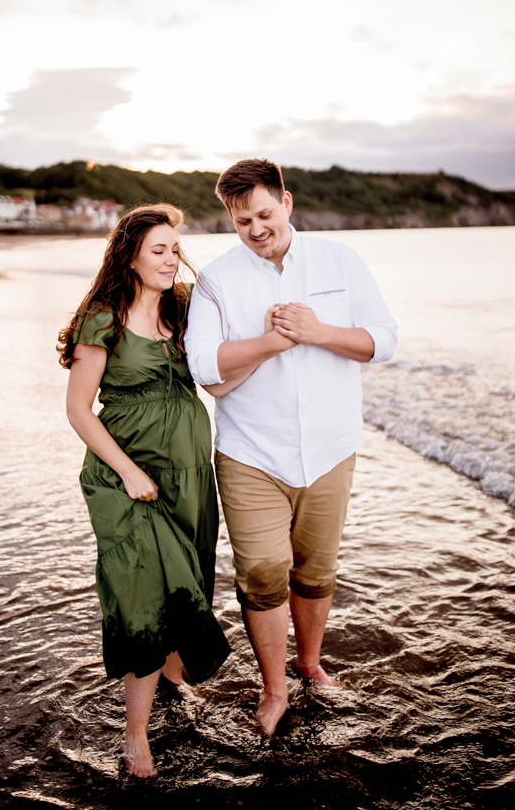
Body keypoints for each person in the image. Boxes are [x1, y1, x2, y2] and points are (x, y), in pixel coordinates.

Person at [185, 159, 397, 736]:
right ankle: (274, 689)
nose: (255, 229)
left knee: (317, 570)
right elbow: (202, 364)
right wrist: (271, 342)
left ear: (287, 202)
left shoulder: (339, 260)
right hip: (251, 453)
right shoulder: (215, 280)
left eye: (263, 214)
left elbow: (384, 341)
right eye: (241, 221)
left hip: (331, 446)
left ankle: (310, 664)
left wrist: (316, 331)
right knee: (261, 571)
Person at [57, 204, 230, 777]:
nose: (171, 258)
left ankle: (174, 683)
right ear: (129, 255)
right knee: (144, 596)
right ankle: (135, 735)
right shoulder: (101, 320)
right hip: (125, 478)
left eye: (176, 248)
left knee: (186, 581)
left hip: (189, 476)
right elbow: (78, 410)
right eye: (158, 250)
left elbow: (223, 353)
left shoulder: (186, 307)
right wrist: (130, 473)